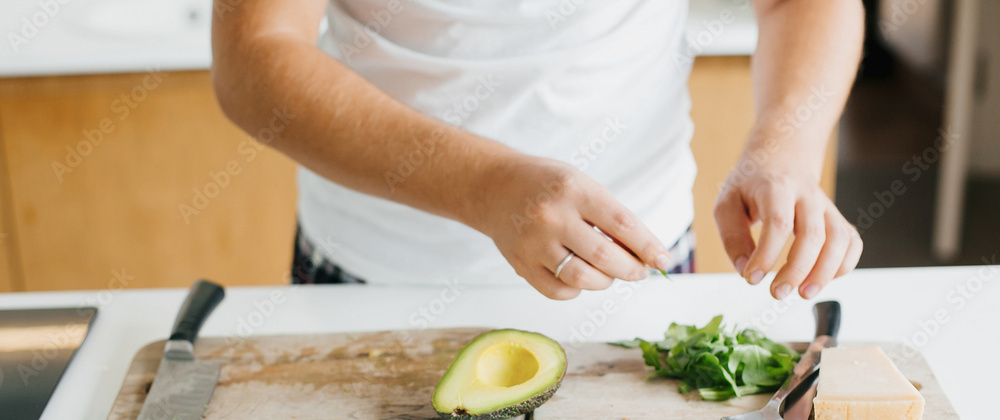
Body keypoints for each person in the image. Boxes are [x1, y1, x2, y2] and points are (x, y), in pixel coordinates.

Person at [211, 0, 864, 301]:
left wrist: (786, 148)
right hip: (374, 280)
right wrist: (485, 185)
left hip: (637, 271)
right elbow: (254, 55)